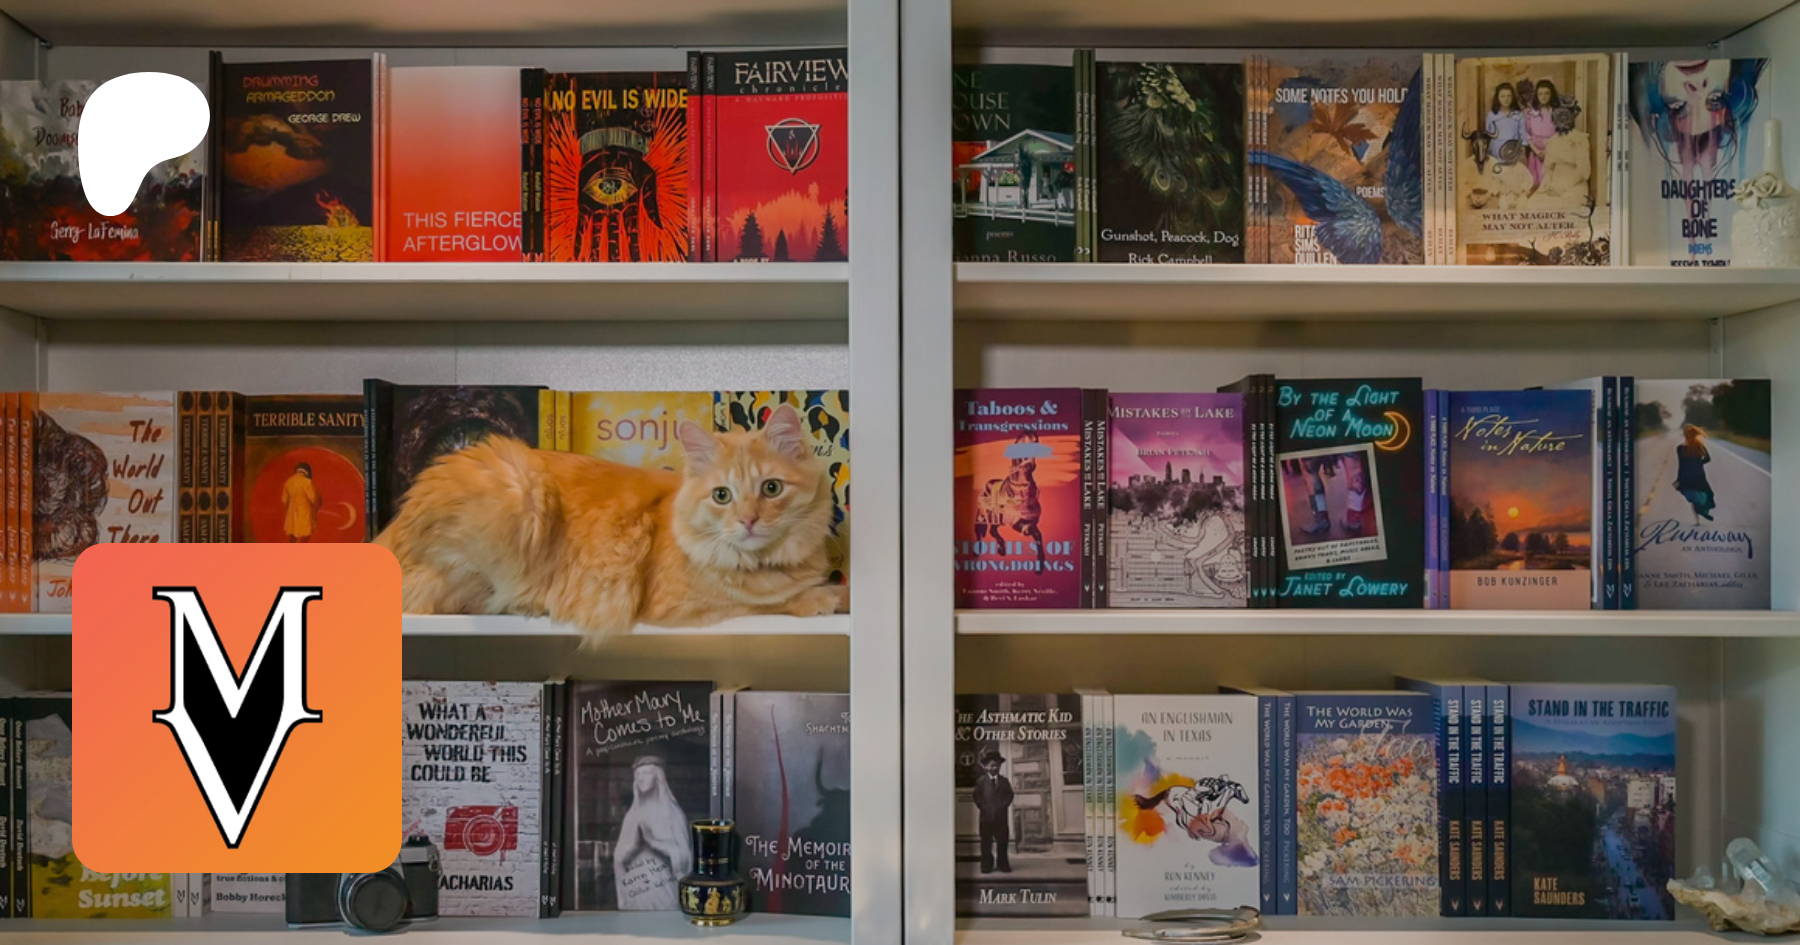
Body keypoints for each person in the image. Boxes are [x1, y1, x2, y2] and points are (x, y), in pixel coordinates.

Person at [614, 756, 692, 909]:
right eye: (638, 775)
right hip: (636, 890)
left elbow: (685, 857)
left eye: (646, 773)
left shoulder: (671, 813)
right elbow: (618, 859)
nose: (641, 779)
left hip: (664, 889)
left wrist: (655, 843)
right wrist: (632, 847)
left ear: (658, 777)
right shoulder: (632, 815)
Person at [973, 749, 1014, 874]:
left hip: (1001, 817)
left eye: (997, 765)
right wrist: (983, 806)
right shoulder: (981, 781)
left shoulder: (1004, 781)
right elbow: (976, 796)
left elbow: (1009, 795)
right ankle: (986, 865)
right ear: (986, 767)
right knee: (986, 843)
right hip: (986, 818)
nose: (994, 768)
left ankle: (1002, 864)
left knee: (1002, 842)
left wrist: (1003, 805)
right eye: (992, 765)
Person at [1673, 423, 1717, 523]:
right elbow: (1708, 458)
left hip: (1686, 476)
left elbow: (1681, 464)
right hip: (1699, 475)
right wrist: (1698, 463)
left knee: (1693, 498)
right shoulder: (1699, 446)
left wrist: (1679, 479)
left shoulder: (1680, 448)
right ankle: (1703, 511)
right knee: (1708, 494)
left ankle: (1697, 520)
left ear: (1685, 435)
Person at [1524, 79, 1560, 187]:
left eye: (1546, 93)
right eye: (1540, 94)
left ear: (1551, 94)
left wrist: (1547, 151)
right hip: (1536, 153)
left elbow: (1559, 134)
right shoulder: (1530, 113)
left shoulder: (1556, 112)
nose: (1543, 97)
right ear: (1537, 95)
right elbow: (1526, 134)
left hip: (1552, 152)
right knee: (1536, 184)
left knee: (1551, 184)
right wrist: (1537, 151)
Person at [1485, 83, 1528, 167]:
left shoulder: (1518, 115)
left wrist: (1523, 154)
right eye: (1503, 96)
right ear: (1497, 98)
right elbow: (1488, 135)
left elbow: (1523, 136)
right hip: (1496, 151)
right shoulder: (1491, 115)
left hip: (1513, 150)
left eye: (1509, 96)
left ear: (1513, 97)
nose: (1506, 99)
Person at [281, 461, 321, 543]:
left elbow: (284, 500)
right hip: (305, 515)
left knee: (292, 538)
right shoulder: (307, 482)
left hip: (292, 516)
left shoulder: (289, 482)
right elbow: (314, 499)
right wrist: (316, 507)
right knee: (304, 537)